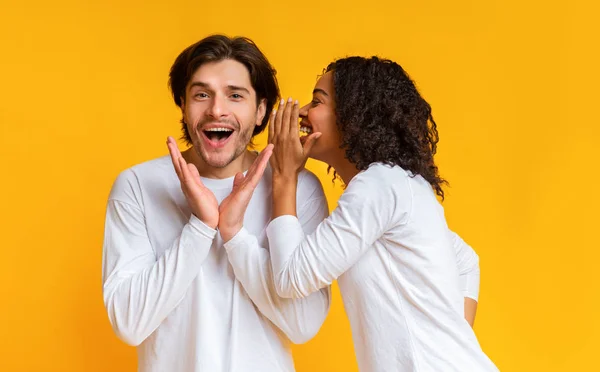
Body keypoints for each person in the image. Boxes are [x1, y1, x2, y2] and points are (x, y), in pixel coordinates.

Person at [223, 56, 498, 371]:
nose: (301, 112)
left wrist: (284, 175)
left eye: (317, 101)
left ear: (353, 116)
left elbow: (290, 278)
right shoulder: (396, 185)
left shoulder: (381, 184)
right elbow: (466, 261)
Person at [101, 34, 332, 372]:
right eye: (202, 94)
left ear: (261, 110)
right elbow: (129, 323)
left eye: (235, 95)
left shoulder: (298, 188)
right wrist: (199, 227)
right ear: (183, 104)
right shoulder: (138, 186)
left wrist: (235, 236)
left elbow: (303, 325)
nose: (216, 109)